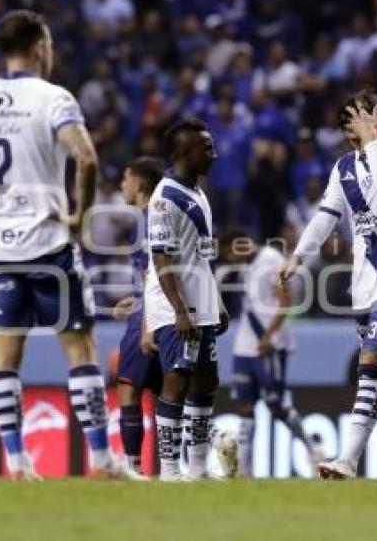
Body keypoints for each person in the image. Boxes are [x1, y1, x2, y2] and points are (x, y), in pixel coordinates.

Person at [0, 10, 136, 480]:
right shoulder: (53, 98)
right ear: (39, 45)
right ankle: (100, 457)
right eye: (50, 43)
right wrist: (80, 215)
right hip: (48, 241)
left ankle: (17, 461)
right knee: (80, 350)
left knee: (4, 358)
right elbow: (87, 158)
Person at [279, 88, 377, 480]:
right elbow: (326, 216)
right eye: (350, 132)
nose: (356, 137)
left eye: (361, 124)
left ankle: (347, 459)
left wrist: (372, 141)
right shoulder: (345, 167)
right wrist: (298, 256)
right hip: (364, 288)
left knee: (371, 363)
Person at [146, 118, 231, 481]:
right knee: (177, 380)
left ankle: (197, 468)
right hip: (175, 304)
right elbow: (161, 256)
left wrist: (217, 302)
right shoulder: (165, 198)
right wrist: (180, 309)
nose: (213, 154)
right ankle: (168, 469)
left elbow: (201, 256)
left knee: (206, 380)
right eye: (206, 148)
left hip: (202, 303)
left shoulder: (198, 191)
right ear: (184, 151)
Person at [219, 230, 324, 477]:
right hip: (245, 345)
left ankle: (312, 449)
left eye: (228, 253)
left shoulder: (271, 260)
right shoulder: (247, 265)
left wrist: (269, 335)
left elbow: (285, 299)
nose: (229, 259)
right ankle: (243, 470)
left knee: (275, 406)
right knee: (244, 405)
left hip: (271, 344)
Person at [110, 156, 165, 473]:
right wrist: (134, 301)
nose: (122, 184)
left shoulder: (148, 219)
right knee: (166, 395)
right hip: (155, 309)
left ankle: (132, 466)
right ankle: (175, 465)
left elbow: (154, 275)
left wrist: (145, 323)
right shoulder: (160, 214)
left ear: (140, 184)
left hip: (151, 316)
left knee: (128, 387)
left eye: (126, 178)